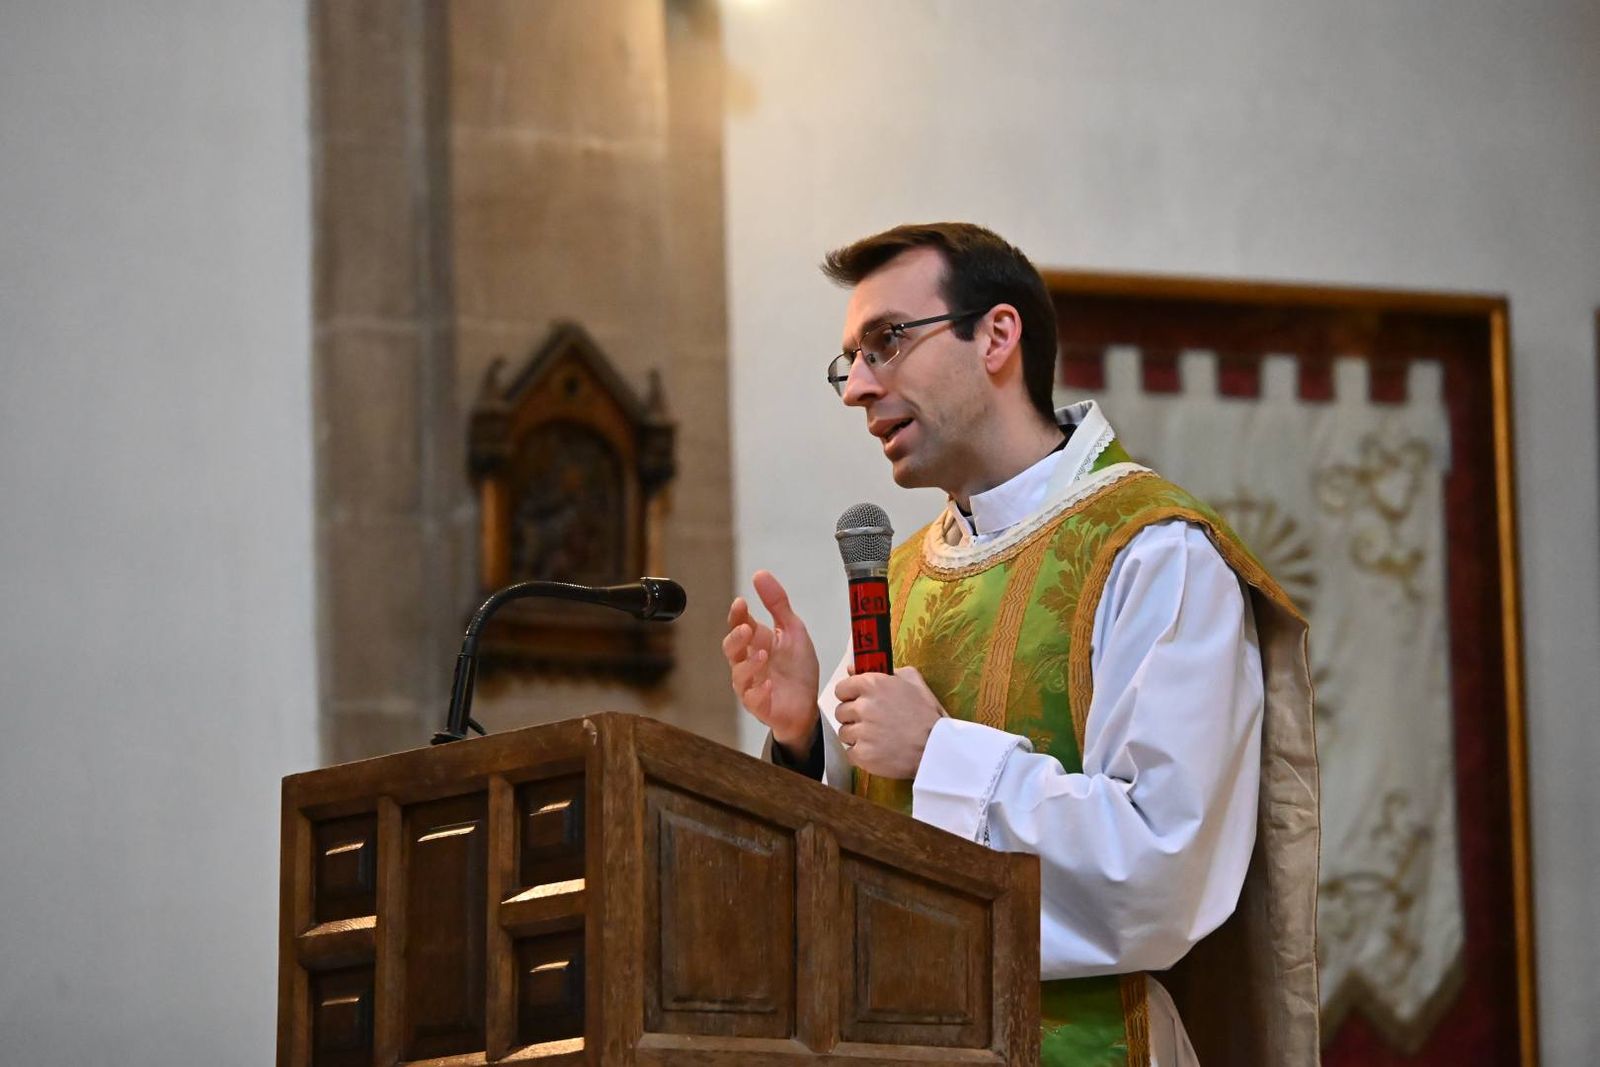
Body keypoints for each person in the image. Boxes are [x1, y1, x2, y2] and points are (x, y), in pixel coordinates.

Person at [722, 223, 1319, 1066]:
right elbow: (855, 870)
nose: (858, 386)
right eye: (848, 361)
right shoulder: (899, 577)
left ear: (998, 335)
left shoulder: (1153, 551)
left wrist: (938, 752)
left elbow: (1160, 866)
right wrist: (801, 743)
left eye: (885, 341)